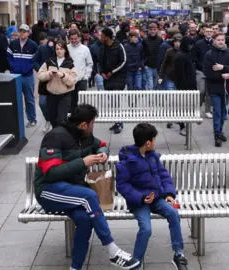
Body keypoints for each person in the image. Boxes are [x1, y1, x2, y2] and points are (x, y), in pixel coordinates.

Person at [34, 104, 140, 270]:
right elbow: (51, 173)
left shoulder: (84, 136)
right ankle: (113, 251)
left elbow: (102, 143)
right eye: (92, 124)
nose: (93, 127)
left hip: (71, 190)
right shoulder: (55, 137)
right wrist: (83, 162)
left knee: (84, 220)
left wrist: (104, 151)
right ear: (84, 124)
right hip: (48, 191)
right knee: (88, 196)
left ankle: (75, 268)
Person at [116, 123, 188, 270]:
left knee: (173, 213)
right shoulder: (127, 161)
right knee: (146, 229)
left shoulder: (153, 156)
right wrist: (141, 198)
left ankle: (178, 254)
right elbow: (123, 186)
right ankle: (135, 263)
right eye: (154, 139)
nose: (155, 142)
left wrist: (168, 193)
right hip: (139, 203)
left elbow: (163, 175)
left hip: (157, 199)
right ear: (148, 142)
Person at [203, 33, 229, 147]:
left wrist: (222, 68)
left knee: (224, 113)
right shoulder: (209, 54)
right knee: (217, 112)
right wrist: (221, 75)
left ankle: (220, 130)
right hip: (214, 87)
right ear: (214, 41)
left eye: (222, 40)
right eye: (218, 40)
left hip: (226, 87)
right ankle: (217, 134)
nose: (220, 42)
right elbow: (207, 72)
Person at [37, 40, 77, 128]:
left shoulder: (70, 64)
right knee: (53, 119)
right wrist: (49, 74)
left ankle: (61, 137)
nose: (59, 51)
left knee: (61, 120)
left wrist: (63, 75)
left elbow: (73, 81)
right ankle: (56, 137)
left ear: (65, 50)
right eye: (57, 49)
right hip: (51, 96)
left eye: (61, 49)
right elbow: (39, 75)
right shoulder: (49, 62)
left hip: (64, 96)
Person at [8, 24, 38, 127]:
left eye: (24, 31)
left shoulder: (33, 45)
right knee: (15, 99)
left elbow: (35, 60)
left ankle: (32, 119)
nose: (22, 33)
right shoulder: (13, 44)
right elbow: (8, 57)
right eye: (20, 31)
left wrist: (27, 69)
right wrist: (13, 67)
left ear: (28, 33)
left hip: (27, 76)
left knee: (29, 99)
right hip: (15, 76)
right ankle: (16, 120)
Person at [98, 28, 127, 134]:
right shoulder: (103, 47)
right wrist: (102, 72)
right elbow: (100, 62)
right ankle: (117, 121)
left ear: (107, 37)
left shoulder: (118, 46)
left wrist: (112, 72)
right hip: (107, 78)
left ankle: (119, 123)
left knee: (116, 100)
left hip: (118, 77)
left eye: (102, 36)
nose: (100, 37)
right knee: (112, 102)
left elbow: (123, 61)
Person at [174, 36, 197, 136]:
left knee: (186, 108)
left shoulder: (185, 54)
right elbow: (180, 75)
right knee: (184, 107)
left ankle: (183, 125)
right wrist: (184, 88)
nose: (190, 46)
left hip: (189, 85)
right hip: (184, 87)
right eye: (189, 45)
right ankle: (182, 126)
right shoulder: (181, 56)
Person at [68, 29, 93, 113]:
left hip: (81, 80)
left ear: (79, 38)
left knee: (82, 104)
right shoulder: (66, 48)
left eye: (75, 38)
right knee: (71, 103)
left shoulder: (85, 49)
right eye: (72, 39)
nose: (74, 40)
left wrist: (86, 77)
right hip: (69, 81)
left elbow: (89, 64)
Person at [33, 36, 56, 133]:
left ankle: (55, 124)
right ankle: (48, 120)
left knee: (56, 103)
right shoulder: (41, 48)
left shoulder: (60, 49)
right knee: (42, 103)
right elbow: (34, 60)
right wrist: (40, 71)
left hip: (56, 80)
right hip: (44, 80)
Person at [195, 25, 214, 118]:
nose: (209, 33)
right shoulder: (199, 43)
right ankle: (197, 108)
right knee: (201, 90)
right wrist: (200, 67)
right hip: (201, 70)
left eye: (211, 31)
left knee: (209, 92)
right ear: (204, 32)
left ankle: (208, 110)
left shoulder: (214, 43)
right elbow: (195, 57)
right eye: (207, 31)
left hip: (212, 71)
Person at [143, 23, 163, 90]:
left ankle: (152, 97)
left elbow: (161, 53)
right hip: (148, 65)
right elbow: (143, 52)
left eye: (154, 29)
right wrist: (144, 63)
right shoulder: (145, 40)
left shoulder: (160, 39)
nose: (153, 31)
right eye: (151, 30)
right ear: (149, 30)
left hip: (157, 65)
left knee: (155, 83)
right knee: (150, 83)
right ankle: (150, 97)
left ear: (157, 30)